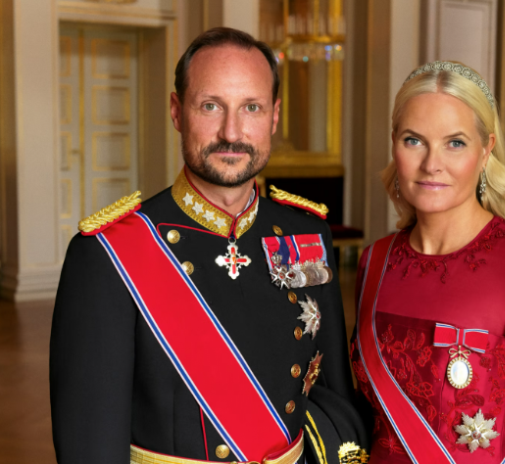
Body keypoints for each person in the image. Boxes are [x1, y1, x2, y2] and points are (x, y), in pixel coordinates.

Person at [50, 27, 368, 464]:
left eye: (251, 107)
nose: (231, 132)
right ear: (177, 111)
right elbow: (90, 446)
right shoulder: (107, 254)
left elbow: (333, 403)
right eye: (211, 106)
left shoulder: (306, 233)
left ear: (274, 116)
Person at [350, 61, 505, 463]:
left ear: (486, 149)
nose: (432, 164)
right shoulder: (375, 262)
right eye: (414, 140)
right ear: (394, 143)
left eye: (455, 143)